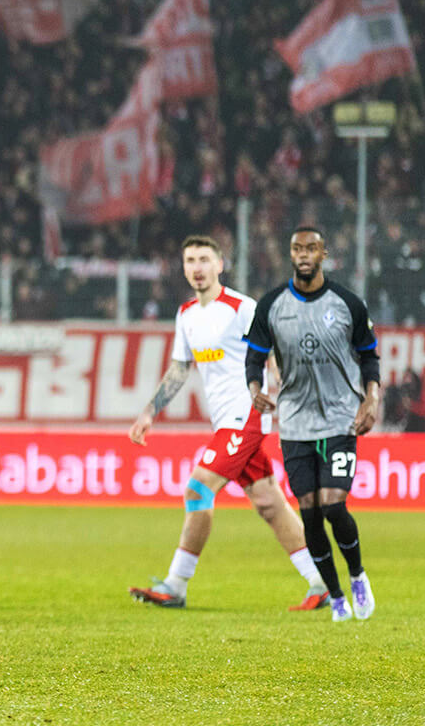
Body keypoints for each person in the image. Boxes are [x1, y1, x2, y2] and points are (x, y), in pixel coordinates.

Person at [127, 236, 329, 611]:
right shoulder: (186, 313)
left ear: (220, 265)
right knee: (268, 502)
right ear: (184, 268)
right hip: (225, 422)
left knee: (198, 489)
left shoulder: (240, 307)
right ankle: (321, 581)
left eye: (205, 259)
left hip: (247, 414)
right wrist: (150, 411)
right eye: (190, 260)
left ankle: (176, 583)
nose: (197, 267)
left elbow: (275, 353)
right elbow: (179, 367)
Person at [245, 226, 383, 623]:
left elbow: (369, 356)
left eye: (311, 248)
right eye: (296, 248)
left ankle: (357, 576)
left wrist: (371, 398)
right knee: (308, 510)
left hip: (341, 418)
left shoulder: (347, 304)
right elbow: (253, 358)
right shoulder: (271, 305)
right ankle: (336, 595)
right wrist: (255, 387)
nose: (303, 254)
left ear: (323, 253)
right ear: (290, 254)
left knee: (333, 505)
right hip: (295, 423)